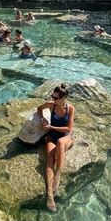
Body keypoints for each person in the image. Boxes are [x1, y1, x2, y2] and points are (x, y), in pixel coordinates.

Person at [37, 84, 74, 212]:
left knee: (60, 142)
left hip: (65, 137)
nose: (52, 98)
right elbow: (39, 109)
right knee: (50, 159)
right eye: (52, 96)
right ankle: (50, 194)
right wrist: (42, 119)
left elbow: (68, 129)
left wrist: (51, 127)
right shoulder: (51, 105)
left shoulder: (70, 109)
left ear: (63, 98)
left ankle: (57, 176)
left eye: (55, 97)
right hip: (51, 137)